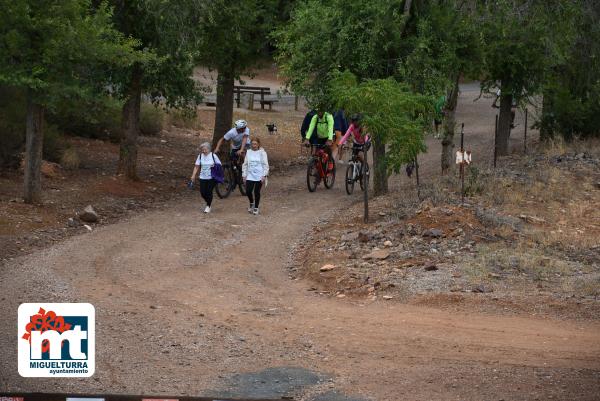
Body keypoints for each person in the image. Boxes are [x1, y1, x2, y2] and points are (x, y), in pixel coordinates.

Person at [190, 142, 222, 213]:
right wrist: (193, 175)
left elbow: (220, 165)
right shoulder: (200, 156)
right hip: (202, 177)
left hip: (211, 177)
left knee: (209, 192)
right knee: (202, 192)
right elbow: (196, 166)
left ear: (209, 149)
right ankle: (208, 202)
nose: (204, 151)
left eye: (205, 150)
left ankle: (208, 206)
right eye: (202, 150)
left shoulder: (213, 156)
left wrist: (214, 165)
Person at [242, 136, 269, 215]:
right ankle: (251, 203)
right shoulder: (248, 152)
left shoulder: (262, 153)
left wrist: (264, 175)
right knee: (248, 191)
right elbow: (245, 164)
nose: (254, 145)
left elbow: (265, 165)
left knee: (256, 192)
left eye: (255, 144)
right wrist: (244, 175)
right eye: (252, 144)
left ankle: (256, 207)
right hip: (250, 175)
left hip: (259, 175)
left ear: (258, 144)